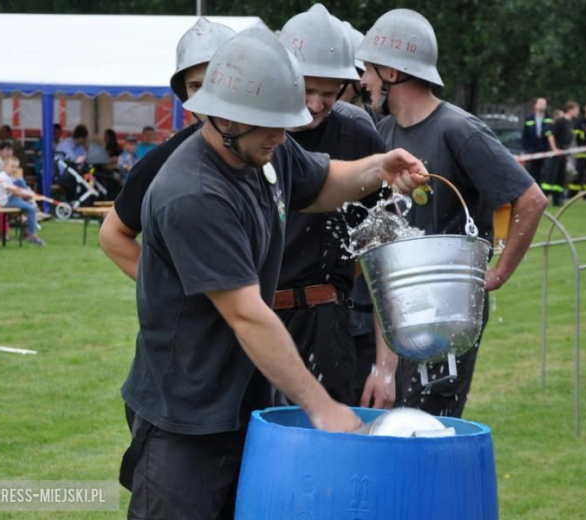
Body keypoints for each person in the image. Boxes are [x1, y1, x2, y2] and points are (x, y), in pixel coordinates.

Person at [120, 28, 428, 519]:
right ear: (222, 117)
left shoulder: (264, 148)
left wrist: (378, 167)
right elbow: (247, 316)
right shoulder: (193, 194)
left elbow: (324, 183)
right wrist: (320, 405)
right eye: (272, 127)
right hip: (187, 413)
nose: (283, 137)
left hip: (244, 398)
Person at [357, 9, 547, 417]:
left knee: (427, 428)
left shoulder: (459, 129)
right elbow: (387, 248)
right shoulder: (386, 135)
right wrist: (384, 369)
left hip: (447, 314)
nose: (362, 81)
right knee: (397, 430)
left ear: (390, 71)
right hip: (402, 310)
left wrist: (496, 275)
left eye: (368, 69)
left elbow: (531, 199)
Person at [276, 4, 393, 408]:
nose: (315, 104)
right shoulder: (246, 130)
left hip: (325, 325)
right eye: (306, 89)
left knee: (325, 455)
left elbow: (385, 253)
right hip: (249, 319)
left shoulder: (357, 135)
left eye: (329, 93)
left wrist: (385, 366)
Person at [100, 17, 237, 281]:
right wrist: (169, 292)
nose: (207, 96)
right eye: (196, 86)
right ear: (184, 92)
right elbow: (112, 234)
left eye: (216, 81)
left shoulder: (273, 144)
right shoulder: (165, 160)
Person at [0, 157, 45, 246]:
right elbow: (17, 192)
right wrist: (30, 195)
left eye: (16, 167)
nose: (14, 169)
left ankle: (30, 202)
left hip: (10, 196)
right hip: (6, 201)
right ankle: (32, 235)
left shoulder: (8, 176)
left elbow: (17, 188)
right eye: (12, 167)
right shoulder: (3, 177)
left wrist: (27, 192)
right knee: (31, 209)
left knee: (20, 180)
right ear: (5, 167)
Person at [541, 101, 579, 205]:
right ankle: (543, 199)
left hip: (563, 152)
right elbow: (551, 135)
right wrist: (554, 149)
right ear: (570, 109)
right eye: (576, 109)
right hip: (556, 152)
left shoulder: (570, 123)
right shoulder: (560, 121)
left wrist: (566, 155)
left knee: (561, 177)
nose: (578, 112)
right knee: (550, 176)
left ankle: (557, 199)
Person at [521, 97, 553, 186]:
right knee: (533, 172)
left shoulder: (549, 118)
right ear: (535, 105)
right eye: (540, 103)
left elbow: (551, 134)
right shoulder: (529, 118)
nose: (542, 106)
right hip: (532, 150)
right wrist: (527, 149)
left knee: (545, 171)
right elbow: (525, 135)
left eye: (544, 104)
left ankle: (544, 191)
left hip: (545, 149)